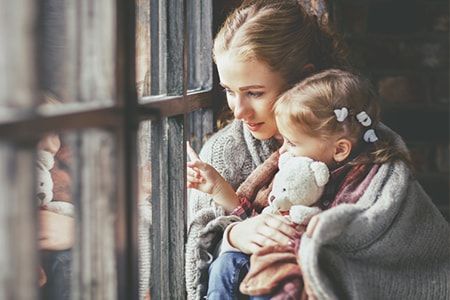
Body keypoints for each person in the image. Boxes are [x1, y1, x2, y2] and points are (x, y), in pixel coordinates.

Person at [188, 69, 450, 299]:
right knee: (226, 264)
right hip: (274, 253)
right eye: (229, 91)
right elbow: (264, 217)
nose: (283, 153)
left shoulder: (369, 181)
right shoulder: (290, 167)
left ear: (340, 149)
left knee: (279, 282)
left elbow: (357, 236)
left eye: (291, 143)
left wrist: (308, 237)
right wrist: (219, 191)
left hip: (303, 264)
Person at [185, 0, 350, 299]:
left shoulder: (352, 140)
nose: (238, 111)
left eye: (254, 93)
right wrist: (234, 235)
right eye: (229, 91)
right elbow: (192, 253)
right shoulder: (221, 153)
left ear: (302, 79)